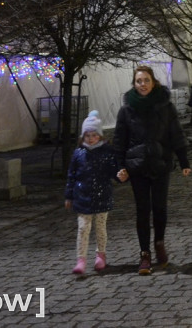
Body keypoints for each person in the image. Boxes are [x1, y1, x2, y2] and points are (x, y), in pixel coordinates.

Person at [114, 65, 192, 275]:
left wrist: (184, 160)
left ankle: (159, 242)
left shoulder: (165, 106)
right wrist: (120, 166)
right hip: (137, 166)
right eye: (139, 81)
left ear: (153, 81)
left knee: (159, 208)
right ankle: (144, 254)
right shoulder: (126, 110)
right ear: (134, 83)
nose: (143, 85)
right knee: (142, 210)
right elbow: (119, 141)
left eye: (146, 80)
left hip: (160, 163)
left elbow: (176, 133)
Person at [65, 111, 128, 274]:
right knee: (83, 228)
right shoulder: (79, 153)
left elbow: (113, 170)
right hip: (82, 196)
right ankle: (81, 259)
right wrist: (69, 195)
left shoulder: (107, 152)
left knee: (100, 227)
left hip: (102, 196)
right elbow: (71, 175)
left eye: (94, 135)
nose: (90, 138)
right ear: (83, 136)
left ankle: (101, 255)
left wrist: (120, 175)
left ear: (99, 136)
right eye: (87, 135)